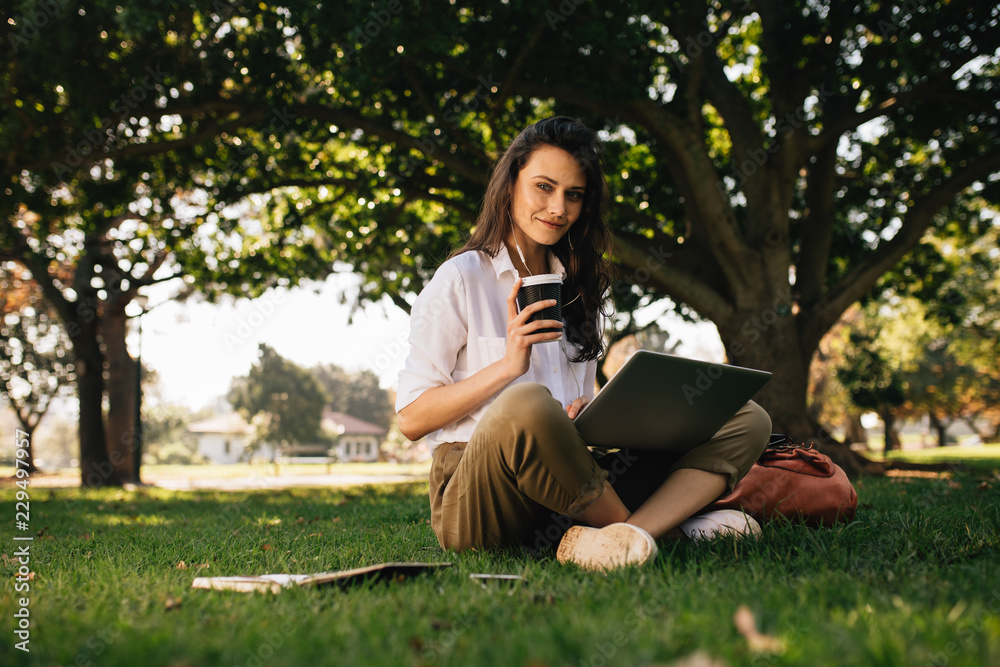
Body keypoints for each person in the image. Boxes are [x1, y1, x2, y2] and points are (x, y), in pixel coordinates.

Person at [395, 116, 771, 571]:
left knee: (745, 417)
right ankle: (662, 532)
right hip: (478, 498)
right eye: (544, 187)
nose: (558, 208)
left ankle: (621, 539)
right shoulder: (460, 278)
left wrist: (585, 413)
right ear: (510, 183)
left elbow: (579, 404)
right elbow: (412, 418)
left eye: (574, 195)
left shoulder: (582, 290)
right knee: (527, 403)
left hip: (568, 482)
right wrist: (508, 367)